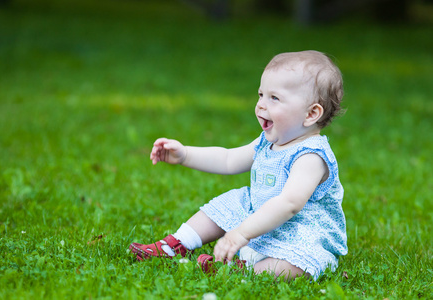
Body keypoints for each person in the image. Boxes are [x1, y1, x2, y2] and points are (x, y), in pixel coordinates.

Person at [130, 50, 347, 281]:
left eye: (274, 98)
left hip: (299, 232)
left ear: (311, 113)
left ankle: (244, 271)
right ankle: (175, 244)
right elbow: (228, 159)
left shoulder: (311, 157)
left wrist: (243, 232)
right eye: (261, 94)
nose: (261, 105)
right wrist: (185, 155)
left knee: (297, 265)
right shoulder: (267, 141)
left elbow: (289, 204)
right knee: (233, 201)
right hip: (260, 220)